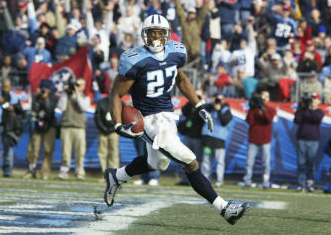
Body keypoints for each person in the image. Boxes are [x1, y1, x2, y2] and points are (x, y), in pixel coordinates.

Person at [103, 14, 247, 225]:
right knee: (190, 161)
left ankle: (116, 176)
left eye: (161, 34)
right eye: (152, 33)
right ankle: (224, 208)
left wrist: (199, 105)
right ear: (144, 35)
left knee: (157, 163)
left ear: (167, 35)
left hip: (168, 116)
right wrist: (117, 124)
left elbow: (181, 79)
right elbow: (116, 93)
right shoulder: (134, 60)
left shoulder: (175, 52)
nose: (156, 38)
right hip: (149, 121)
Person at [23, 79, 57, 180]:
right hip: (38, 125)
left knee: (48, 150)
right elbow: (34, 110)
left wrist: (46, 100)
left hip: (49, 125)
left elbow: (50, 111)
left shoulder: (53, 97)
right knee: (33, 149)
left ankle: (45, 172)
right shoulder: (36, 97)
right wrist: (36, 97)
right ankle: (31, 170)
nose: (46, 91)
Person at [57, 78, 90, 181]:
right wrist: (64, 93)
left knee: (80, 152)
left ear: (83, 87)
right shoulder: (67, 96)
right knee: (65, 152)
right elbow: (61, 107)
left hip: (80, 128)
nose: (78, 87)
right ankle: (64, 172)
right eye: (77, 85)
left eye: (80, 85)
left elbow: (83, 107)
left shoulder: (85, 97)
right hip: (66, 127)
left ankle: (80, 172)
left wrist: (76, 93)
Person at [243, 90, 276, 190]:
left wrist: (263, 108)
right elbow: (250, 122)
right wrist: (252, 108)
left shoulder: (271, 109)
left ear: (269, 99)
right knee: (249, 162)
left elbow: (268, 119)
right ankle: (247, 181)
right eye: (263, 96)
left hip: (265, 140)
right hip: (253, 139)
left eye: (266, 96)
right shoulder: (254, 108)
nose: (264, 98)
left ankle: (265, 182)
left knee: (266, 163)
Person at [294, 93, 325, 192]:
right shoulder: (303, 110)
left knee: (311, 163)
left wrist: (309, 109)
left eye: (315, 99)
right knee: (301, 162)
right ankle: (300, 184)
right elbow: (297, 120)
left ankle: (310, 183)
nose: (313, 101)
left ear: (319, 101)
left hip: (313, 140)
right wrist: (301, 107)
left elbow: (315, 118)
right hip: (302, 139)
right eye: (312, 99)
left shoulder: (319, 112)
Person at [200, 94, 233, 187]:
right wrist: (212, 104)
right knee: (206, 161)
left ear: (224, 100)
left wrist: (218, 110)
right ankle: (205, 180)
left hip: (219, 140)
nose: (218, 101)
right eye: (217, 99)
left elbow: (224, 122)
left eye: (220, 99)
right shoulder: (210, 108)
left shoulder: (227, 110)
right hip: (208, 138)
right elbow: (201, 110)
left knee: (219, 162)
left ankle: (219, 180)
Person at [176, 89, 206, 186]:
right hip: (188, 136)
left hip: (199, 138)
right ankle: (185, 180)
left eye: (199, 96)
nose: (197, 97)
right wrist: (192, 100)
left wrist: (200, 103)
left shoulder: (205, 107)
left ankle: (198, 181)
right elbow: (184, 111)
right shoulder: (191, 106)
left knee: (197, 161)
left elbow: (203, 118)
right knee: (185, 159)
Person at [94, 95, 120, 181]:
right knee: (102, 153)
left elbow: (122, 116)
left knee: (114, 153)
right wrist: (103, 128)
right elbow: (97, 117)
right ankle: (105, 175)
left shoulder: (118, 102)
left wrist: (114, 128)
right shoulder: (101, 102)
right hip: (103, 132)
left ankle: (113, 175)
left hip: (114, 132)